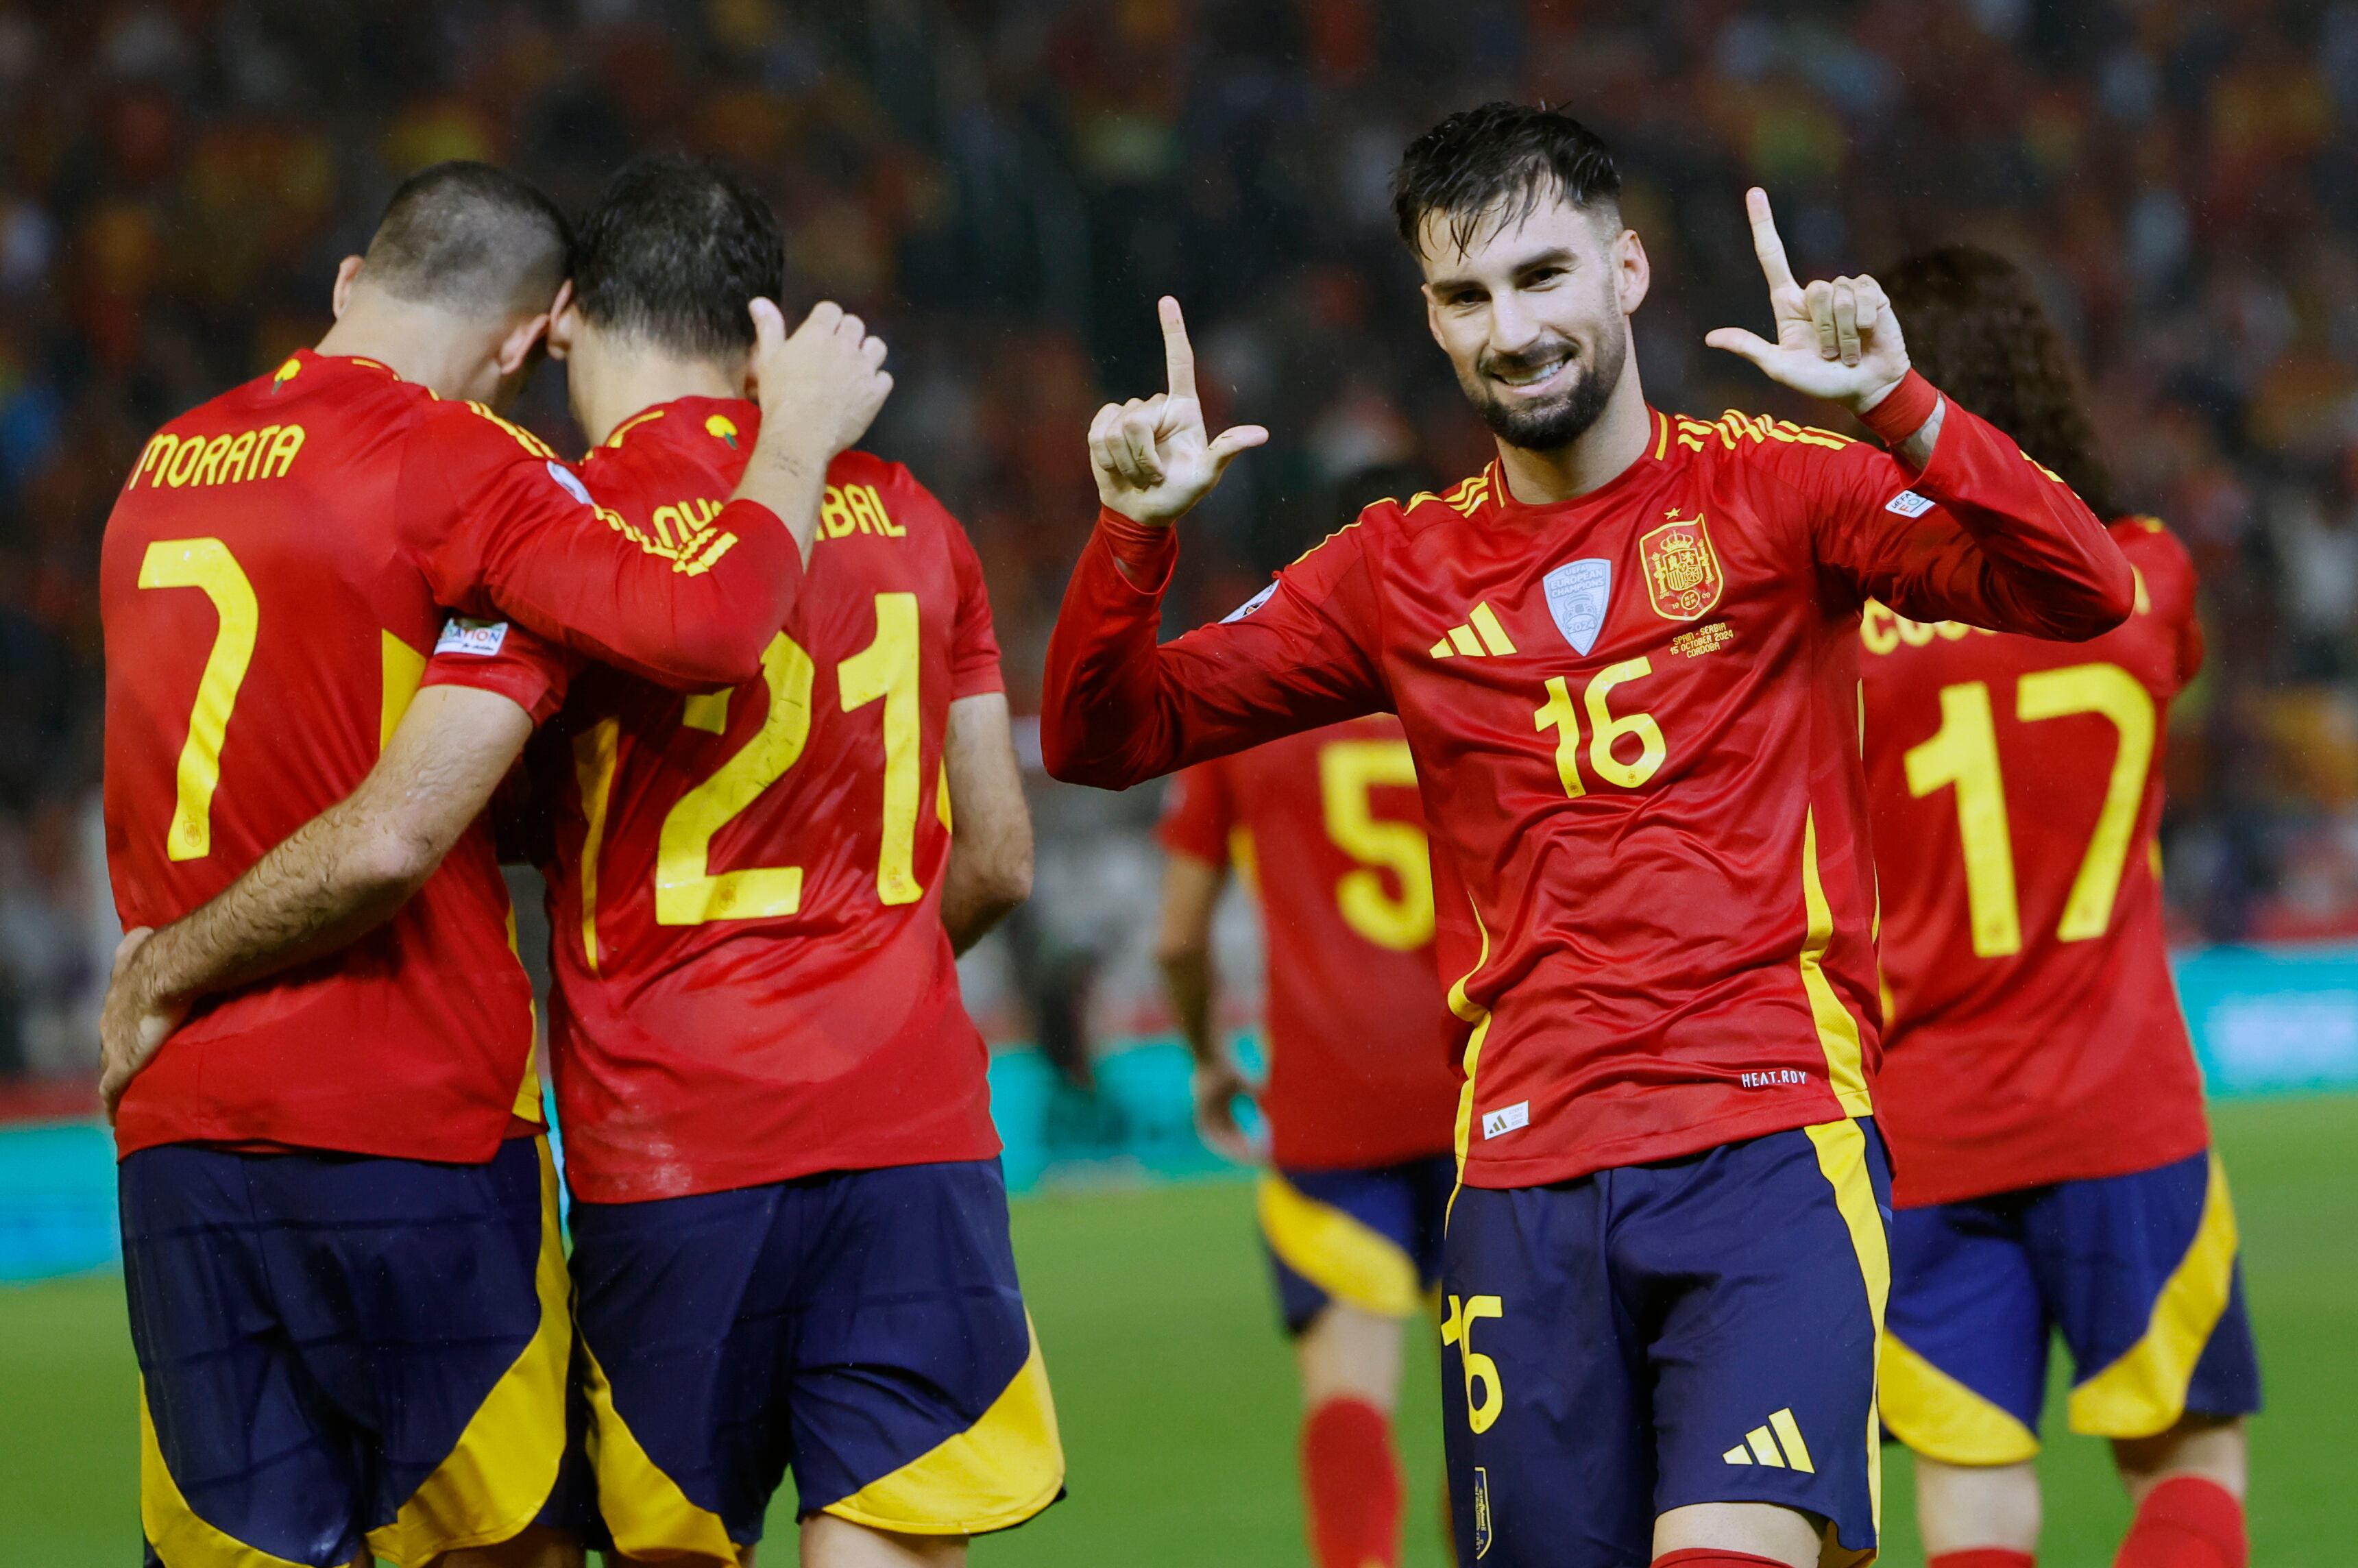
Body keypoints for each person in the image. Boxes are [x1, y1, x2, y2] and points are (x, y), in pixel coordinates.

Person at [1039, 101, 2135, 1568]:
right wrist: (1130, 539)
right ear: (1432, 319)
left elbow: (2084, 588)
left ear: (1625, 272)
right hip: (1517, 1182)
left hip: (1766, 1143)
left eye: (1543, 276)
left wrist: (1901, 407)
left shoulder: (1780, 489)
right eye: (1468, 295)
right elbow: (1101, 737)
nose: (1513, 328)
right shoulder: (1392, 571)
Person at [96, 160, 888, 1568]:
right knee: (504, 1549)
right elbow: (706, 628)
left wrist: (161, 962)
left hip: (182, 1137)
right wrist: (796, 441)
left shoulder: (160, 467)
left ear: (352, 282)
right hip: (412, 1122)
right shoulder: (463, 460)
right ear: (532, 339)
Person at [439, 153, 1058, 1568]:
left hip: (675, 1148)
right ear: (764, 328)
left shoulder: (557, 524)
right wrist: (873, 962)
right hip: (909, 1140)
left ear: (574, 314)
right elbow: (1001, 856)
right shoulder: (913, 516)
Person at [1860, 245, 2259, 1568]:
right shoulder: (2149, 577)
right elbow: (2153, 652)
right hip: (2122, 1103)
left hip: (1924, 1130)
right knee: (2191, 1462)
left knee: (1974, 1500)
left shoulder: (1846, 632)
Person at [1154, 713, 1461, 1568]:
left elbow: (1177, 936)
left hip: (1332, 1106)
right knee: (1491, 1409)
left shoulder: (1251, 707)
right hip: (1486, 1090)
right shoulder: (1461, 660)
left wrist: (1210, 1057)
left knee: (1348, 1394)